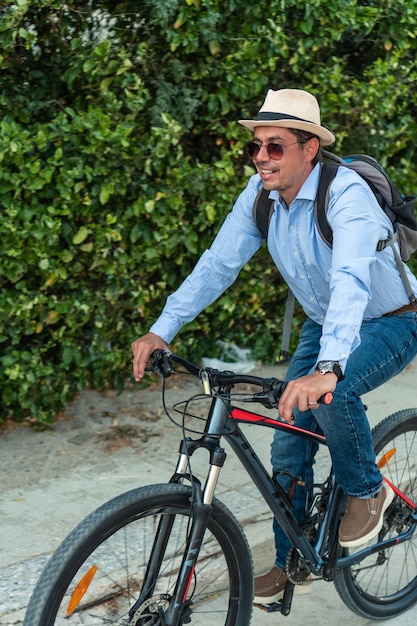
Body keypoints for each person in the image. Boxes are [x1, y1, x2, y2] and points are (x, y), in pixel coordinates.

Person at [132, 88, 417, 604]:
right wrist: (162, 329)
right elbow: (218, 264)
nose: (261, 157)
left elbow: (351, 279)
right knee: (288, 435)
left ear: (310, 148)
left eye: (276, 146)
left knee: (331, 395)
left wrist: (328, 369)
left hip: (392, 320)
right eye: (256, 146)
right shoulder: (260, 195)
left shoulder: (346, 195)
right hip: (325, 321)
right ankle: (292, 561)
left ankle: (365, 490)